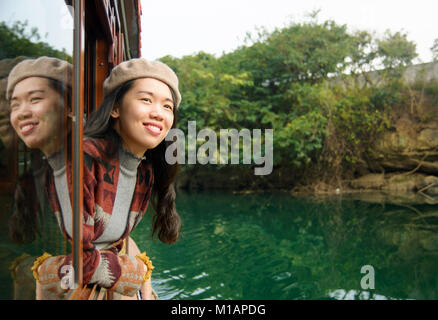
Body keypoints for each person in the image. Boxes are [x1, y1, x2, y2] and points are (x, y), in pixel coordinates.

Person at [30, 58, 182, 299]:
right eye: (146, 99)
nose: (158, 113)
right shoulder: (83, 160)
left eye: (167, 106)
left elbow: (118, 237)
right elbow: (81, 262)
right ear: (115, 109)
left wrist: (144, 277)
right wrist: (137, 272)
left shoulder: (144, 169)